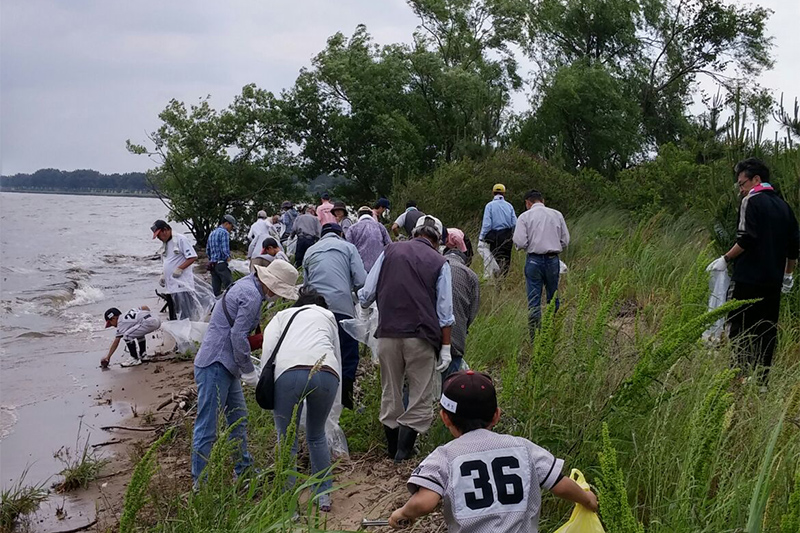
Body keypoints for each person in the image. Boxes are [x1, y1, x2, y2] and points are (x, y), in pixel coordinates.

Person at [388, 370, 598, 531]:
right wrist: (587, 499)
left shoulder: (445, 456)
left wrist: (402, 514)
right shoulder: (523, 448)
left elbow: (425, 502)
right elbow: (559, 484)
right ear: (496, 415)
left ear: (445, 418)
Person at [191, 260, 300, 486]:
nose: (278, 297)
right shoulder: (251, 296)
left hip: (226, 365)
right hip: (215, 363)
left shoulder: (248, 286)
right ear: (272, 285)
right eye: (279, 293)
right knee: (207, 427)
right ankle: (200, 484)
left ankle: (244, 470)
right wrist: (250, 372)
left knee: (239, 418)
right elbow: (237, 337)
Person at [358, 214, 454, 463]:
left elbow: (367, 294)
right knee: (420, 396)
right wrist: (445, 348)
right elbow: (445, 313)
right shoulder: (439, 262)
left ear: (415, 232)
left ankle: (391, 453)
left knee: (390, 392)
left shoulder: (389, 251)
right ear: (438, 239)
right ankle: (403, 455)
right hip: (421, 337)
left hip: (388, 335)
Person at [707, 158, 798, 384]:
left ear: (756, 179)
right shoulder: (784, 206)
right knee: (766, 330)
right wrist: (788, 275)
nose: (740, 189)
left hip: (748, 278)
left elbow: (746, 238)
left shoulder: (751, 201)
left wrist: (725, 259)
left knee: (739, 328)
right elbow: (794, 247)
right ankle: (761, 382)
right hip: (773, 281)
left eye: (742, 183)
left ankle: (737, 376)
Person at [265, 287, 341, 513]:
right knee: (316, 434)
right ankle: (324, 495)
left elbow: (269, 350)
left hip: (289, 373)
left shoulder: (282, 316)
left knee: (286, 440)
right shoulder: (327, 316)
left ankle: (288, 502)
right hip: (327, 372)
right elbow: (335, 350)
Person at [303, 223, 367, 409]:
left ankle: (320, 403)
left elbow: (306, 286)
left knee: (319, 354)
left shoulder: (310, 251)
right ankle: (345, 403)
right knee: (347, 355)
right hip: (341, 309)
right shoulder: (348, 247)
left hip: (314, 310)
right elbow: (361, 281)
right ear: (340, 234)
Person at [512, 190, 570, 337]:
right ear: (542, 200)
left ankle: (535, 338)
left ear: (527, 203)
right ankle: (552, 332)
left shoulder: (524, 217)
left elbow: (519, 241)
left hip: (534, 260)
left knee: (534, 300)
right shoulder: (557, 214)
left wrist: (529, 245)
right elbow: (565, 240)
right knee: (553, 296)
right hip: (552, 259)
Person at [443, 249, 480, 378]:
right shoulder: (470, 275)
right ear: (464, 261)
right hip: (455, 338)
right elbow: (472, 312)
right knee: (449, 383)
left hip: (427, 337)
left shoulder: (432, 266)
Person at [152, 219, 199, 320]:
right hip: (171, 288)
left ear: (165, 230)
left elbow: (192, 257)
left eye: (159, 235)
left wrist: (180, 268)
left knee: (186, 316)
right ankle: (178, 334)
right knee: (174, 316)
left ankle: (188, 334)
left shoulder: (180, 239)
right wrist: (163, 274)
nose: (159, 238)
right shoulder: (166, 244)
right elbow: (168, 260)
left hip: (182, 286)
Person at [479, 184, 517, 277]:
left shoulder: (489, 206)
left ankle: (496, 279)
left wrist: (482, 237)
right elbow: (515, 223)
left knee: (495, 258)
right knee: (506, 259)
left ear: (493, 193)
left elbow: (487, 224)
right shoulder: (509, 206)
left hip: (495, 236)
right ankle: (503, 278)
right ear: (504, 193)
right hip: (507, 235)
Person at [347, 205, 392, 272]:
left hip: (360, 267)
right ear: (371, 215)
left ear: (358, 216)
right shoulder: (380, 226)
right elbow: (390, 245)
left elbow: (348, 248)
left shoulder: (352, 228)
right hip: (379, 266)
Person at [207, 214, 237, 296]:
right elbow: (225, 249)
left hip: (213, 265)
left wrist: (211, 259)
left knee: (215, 291)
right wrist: (228, 258)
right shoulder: (224, 233)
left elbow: (208, 250)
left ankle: (215, 306)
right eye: (232, 227)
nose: (231, 229)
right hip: (221, 264)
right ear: (227, 224)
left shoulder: (212, 233)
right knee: (230, 287)